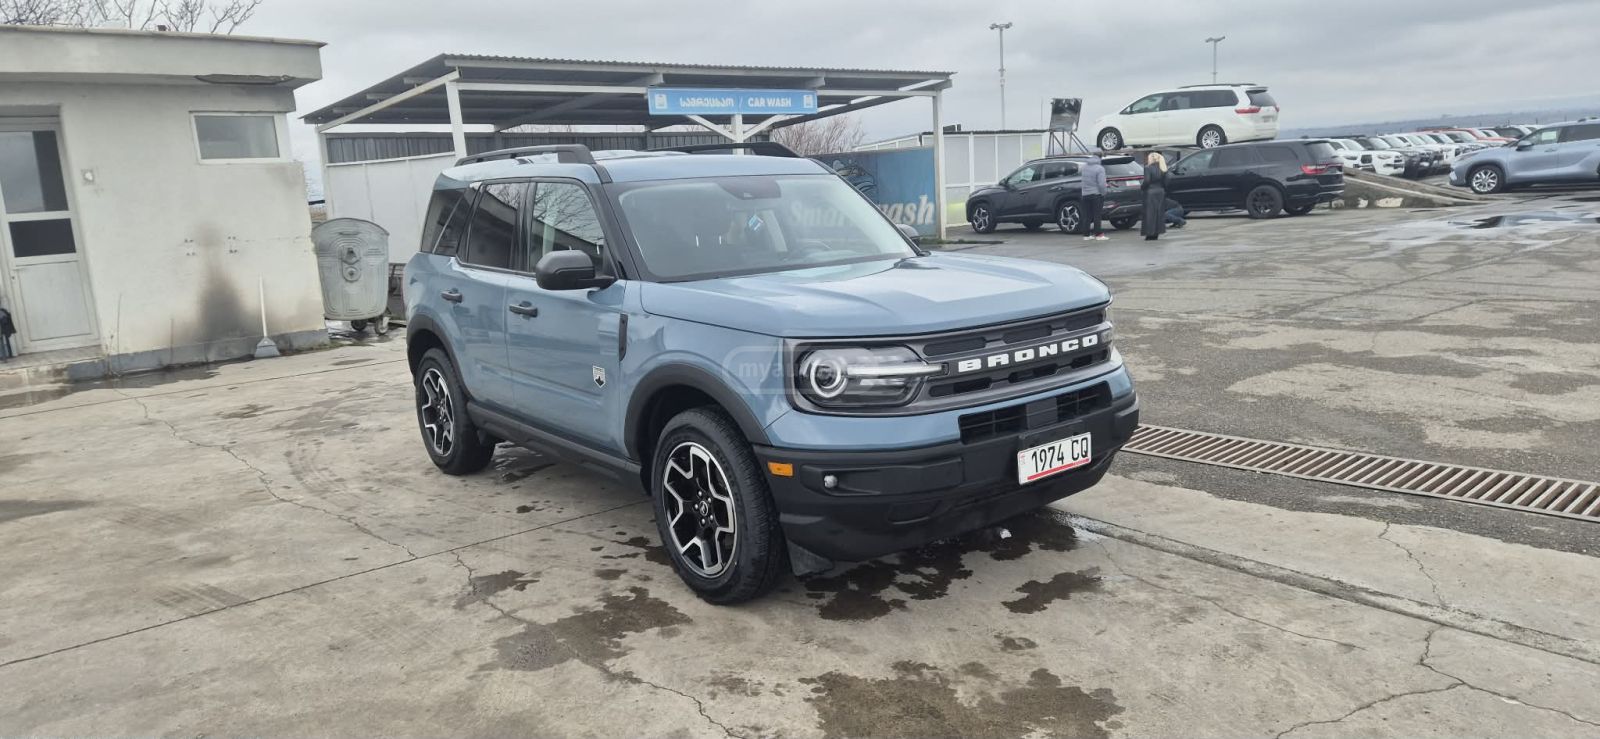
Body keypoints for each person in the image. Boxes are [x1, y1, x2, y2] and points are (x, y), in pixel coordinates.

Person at [1140, 152, 1169, 241]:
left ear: (1151, 158)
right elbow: (1167, 181)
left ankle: (1149, 233)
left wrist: (1142, 187)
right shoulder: (1163, 168)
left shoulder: (1148, 168)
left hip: (1150, 193)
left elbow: (1147, 181)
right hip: (1160, 192)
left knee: (1149, 214)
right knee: (1159, 213)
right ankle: (1156, 232)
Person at [1079, 155, 1109, 241]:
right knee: (1097, 215)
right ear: (1100, 159)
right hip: (1096, 194)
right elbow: (1102, 184)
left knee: (1087, 215)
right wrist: (1104, 192)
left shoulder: (1084, 167)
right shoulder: (1100, 168)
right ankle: (1098, 234)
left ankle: (1086, 235)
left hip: (1085, 194)